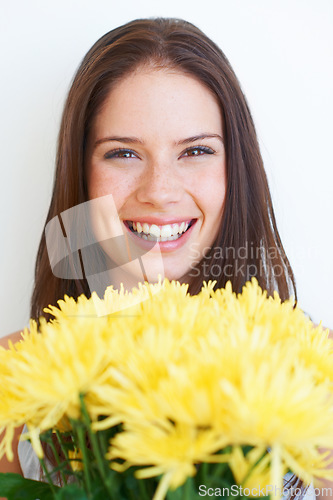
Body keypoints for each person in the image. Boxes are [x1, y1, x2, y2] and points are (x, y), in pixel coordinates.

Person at [0, 17, 331, 499]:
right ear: (82, 173)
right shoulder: (12, 376)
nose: (159, 192)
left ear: (233, 171)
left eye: (195, 150)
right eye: (123, 154)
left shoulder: (315, 371)